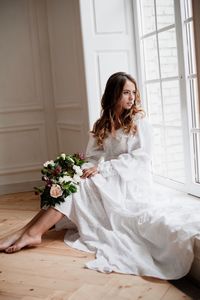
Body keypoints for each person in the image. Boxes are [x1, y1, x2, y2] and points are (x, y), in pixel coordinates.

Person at [0, 72, 200, 280]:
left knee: (77, 188)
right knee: (72, 182)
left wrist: (102, 170)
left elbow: (140, 159)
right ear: (114, 95)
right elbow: (94, 157)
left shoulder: (139, 122)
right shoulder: (102, 123)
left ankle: (31, 233)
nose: (131, 98)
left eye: (133, 93)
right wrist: (80, 170)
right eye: (126, 93)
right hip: (111, 177)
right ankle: (26, 232)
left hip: (131, 182)